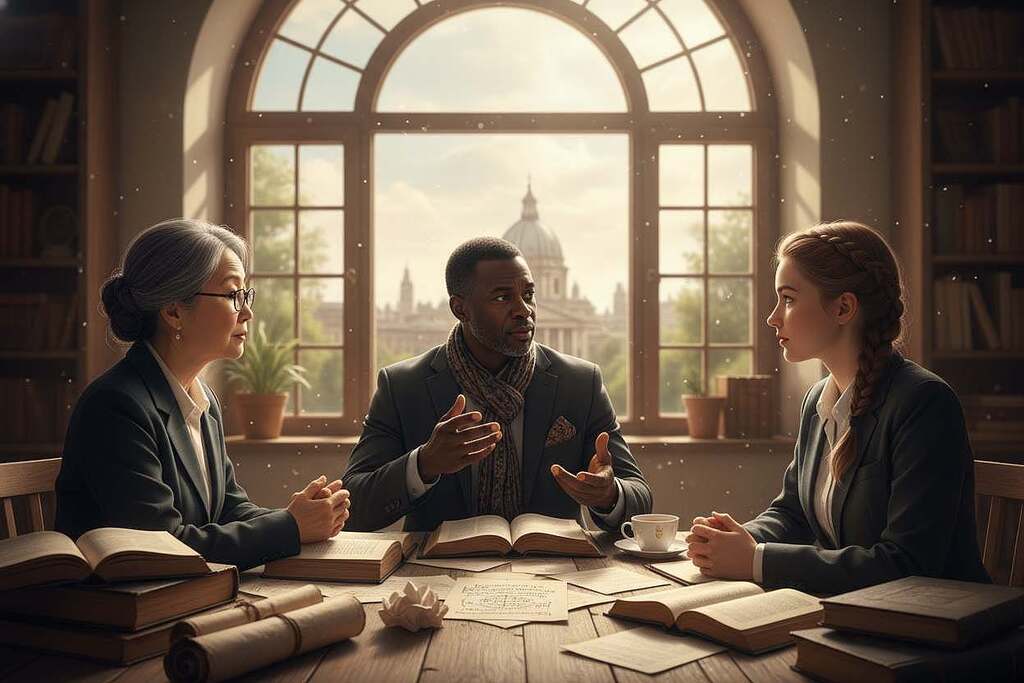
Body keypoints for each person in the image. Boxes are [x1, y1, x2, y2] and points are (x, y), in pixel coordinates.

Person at [686, 221, 990, 595]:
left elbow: (908, 564)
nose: (773, 317)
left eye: (789, 298)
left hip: (931, 631)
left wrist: (755, 559)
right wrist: (735, 540)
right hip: (851, 615)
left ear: (844, 307)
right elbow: (793, 513)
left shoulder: (924, 402)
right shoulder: (817, 401)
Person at [55, 218, 350, 570]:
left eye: (246, 295)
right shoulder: (116, 407)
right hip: (123, 610)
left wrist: (301, 515)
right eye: (232, 295)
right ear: (174, 311)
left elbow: (228, 508)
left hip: (190, 596)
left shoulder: (201, 399)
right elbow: (162, 545)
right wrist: (289, 527)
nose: (248, 312)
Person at [343, 237, 652, 531]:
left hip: (554, 573)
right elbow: (352, 507)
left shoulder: (581, 383)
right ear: (460, 308)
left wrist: (610, 494)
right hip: (438, 575)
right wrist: (424, 464)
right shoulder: (402, 386)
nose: (524, 310)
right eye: (503, 297)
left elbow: (639, 497)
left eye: (528, 294)